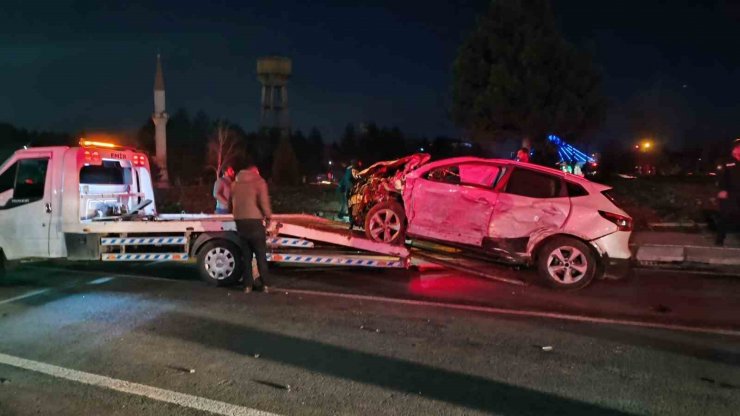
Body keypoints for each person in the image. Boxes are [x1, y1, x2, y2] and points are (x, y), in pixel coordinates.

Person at [231, 159, 273, 293]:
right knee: (261, 255)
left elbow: (229, 204)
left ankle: (247, 286)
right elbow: (264, 202)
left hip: (240, 222)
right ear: (255, 171)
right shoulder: (259, 182)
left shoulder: (234, 184)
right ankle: (265, 285)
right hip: (255, 222)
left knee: (246, 256)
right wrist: (269, 217)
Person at [715, 138, 740, 246]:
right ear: (734, 149)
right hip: (729, 193)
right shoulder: (726, 161)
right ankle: (720, 239)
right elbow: (721, 176)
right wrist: (722, 190)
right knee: (724, 216)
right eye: (738, 147)